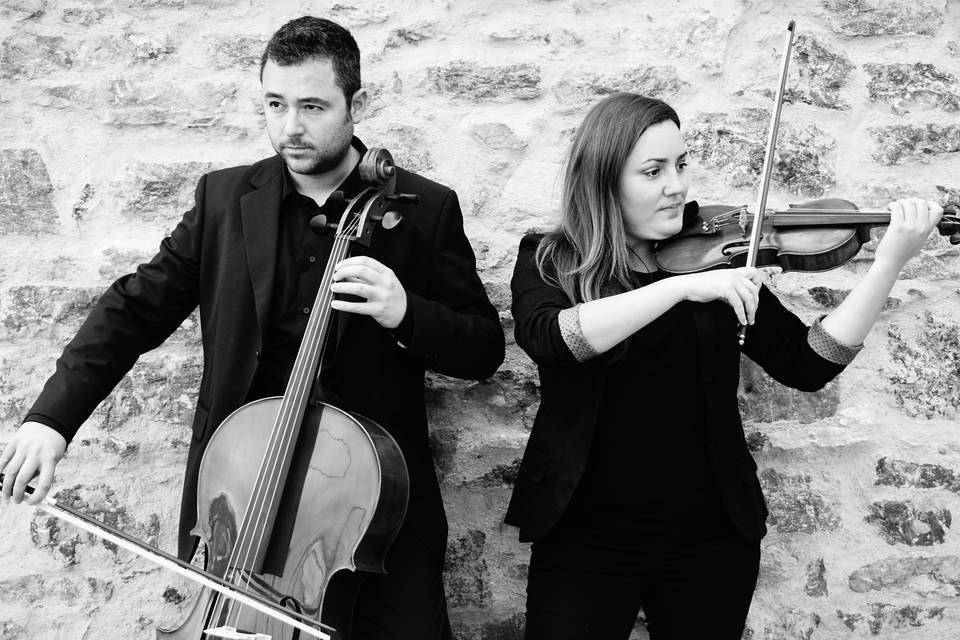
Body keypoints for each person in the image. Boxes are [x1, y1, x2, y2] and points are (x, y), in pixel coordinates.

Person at [0, 16, 504, 640]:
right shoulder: (223, 199)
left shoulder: (423, 208)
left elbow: (483, 348)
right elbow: (133, 310)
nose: (290, 127)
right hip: (241, 509)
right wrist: (51, 420)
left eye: (313, 106)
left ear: (357, 104)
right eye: (275, 104)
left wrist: (406, 313)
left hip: (374, 515)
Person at [506, 92, 942, 640]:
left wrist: (888, 264)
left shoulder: (718, 256)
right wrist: (682, 288)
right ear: (604, 180)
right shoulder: (552, 258)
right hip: (584, 535)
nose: (678, 186)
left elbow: (808, 362)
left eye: (682, 165)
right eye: (653, 171)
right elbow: (555, 340)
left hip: (709, 535)